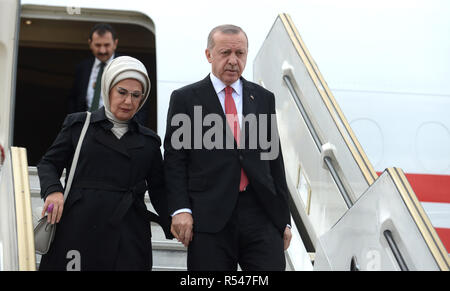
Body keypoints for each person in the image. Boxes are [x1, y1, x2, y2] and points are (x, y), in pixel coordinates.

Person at [164, 24, 292, 271]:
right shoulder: (185, 99)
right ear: (209, 55)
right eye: (225, 53)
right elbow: (175, 160)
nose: (233, 61)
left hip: (260, 215)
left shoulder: (263, 98)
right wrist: (180, 209)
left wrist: (283, 219)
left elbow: (274, 160)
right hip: (209, 216)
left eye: (240, 53)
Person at [38, 56, 171, 271]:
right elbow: (48, 164)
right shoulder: (79, 125)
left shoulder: (149, 141)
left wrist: (174, 220)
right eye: (122, 92)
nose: (128, 101)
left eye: (136, 95)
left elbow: (160, 189)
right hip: (78, 227)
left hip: (129, 234)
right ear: (108, 88)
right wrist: (53, 191)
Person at [67, 23, 149, 125]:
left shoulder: (127, 66)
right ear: (90, 43)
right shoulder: (82, 68)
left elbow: (140, 102)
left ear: (115, 43)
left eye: (106, 45)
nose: (102, 50)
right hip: (85, 127)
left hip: (116, 128)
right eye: (98, 45)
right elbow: (74, 99)